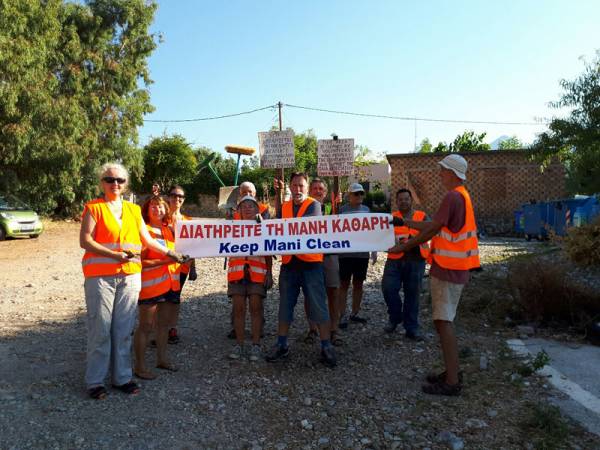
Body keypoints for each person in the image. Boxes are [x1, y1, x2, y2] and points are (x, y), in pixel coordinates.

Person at [80, 162, 186, 400]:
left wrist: (172, 254)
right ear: (102, 183)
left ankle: (122, 377)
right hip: (100, 277)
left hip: (129, 276)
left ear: (126, 184)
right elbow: (85, 241)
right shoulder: (94, 208)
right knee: (101, 329)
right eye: (110, 180)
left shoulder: (133, 210)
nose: (115, 184)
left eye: (119, 180)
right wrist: (113, 255)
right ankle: (95, 381)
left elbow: (147, 240)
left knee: (124, 330)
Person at [388, 154, 479, 396]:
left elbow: (431, 231)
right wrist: (404, 221)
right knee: (443, 320)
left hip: (448, 270)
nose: (440, 174)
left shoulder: (452, 196)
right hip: (455, 269)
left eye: (442, 170)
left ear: (452, 172)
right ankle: (452, 372)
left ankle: (451, 382)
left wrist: (403, 246)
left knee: (443, 321)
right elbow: (432, 225)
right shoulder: (462, 196)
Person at [267, 173, 337, 367]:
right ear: (290, 187)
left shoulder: (314, 205)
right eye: (294, 185)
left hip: (311, 264)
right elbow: (275, 227)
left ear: (306, 188)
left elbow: (299, 227)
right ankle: (281, 344)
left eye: (301, 186)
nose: (297, 189)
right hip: (289, 265)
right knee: (285, 305)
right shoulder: (286, 206)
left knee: (318, 305)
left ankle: (326, 345)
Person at [133, 196, 183, 379]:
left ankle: (162, 359)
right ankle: (139, 366)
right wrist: (164, 261)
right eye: (153, 206)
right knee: (145, 326)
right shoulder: (143, 231)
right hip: (150, 287)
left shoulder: (169, 230)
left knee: (164, 326)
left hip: (171, 284)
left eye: (161, 206)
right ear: (147, 210)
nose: (158, 210)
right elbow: (139, 262)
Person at [227, 195, 273, 361]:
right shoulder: (230, 227)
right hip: (236, 272)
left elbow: (269, 250)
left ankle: (255, 345)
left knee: (256, 308)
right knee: (238, 309)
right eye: (243, 206)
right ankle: (239, 345)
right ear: (238, 210)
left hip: (257, 273)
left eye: (251, 206)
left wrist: (269, 272)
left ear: (257, 209)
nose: (247, 208)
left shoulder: (263, 227)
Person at [381, 189, 430, 340]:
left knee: (412, 294)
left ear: (411, 200)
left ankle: (411, 328)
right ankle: (395, 317)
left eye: (406, 199)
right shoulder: (390, 218)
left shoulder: (421, 216)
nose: (404, 201)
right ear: (396, 202)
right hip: (395, 259)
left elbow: (430, 232)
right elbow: (381, 236)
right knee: (388, 288)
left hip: (416, 260)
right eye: (400, 199)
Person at [304, 178, 343, 346]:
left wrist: (338, 207)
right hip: (311, 257)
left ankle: (334, 330)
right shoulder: (304, 208)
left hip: (329, 256)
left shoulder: (331, 208)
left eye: (321, 188)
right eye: (314, 188)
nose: (318, 191)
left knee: (333, 292)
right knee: (309, 294)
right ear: (309, 191)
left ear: (326, 193)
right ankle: (312, 329)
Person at [338, 183, 377, 328]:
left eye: (361, 193)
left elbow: (371, 231)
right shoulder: (342, 211)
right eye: (356, 194)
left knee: (359, 284)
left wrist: (374, 250)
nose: (359, 196)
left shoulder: (367, 210)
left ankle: (355, 313)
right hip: (345, 255)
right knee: (343, 284)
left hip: (362, 255)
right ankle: (342, 315)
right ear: (350, 196)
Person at [166, 185, 196, 344]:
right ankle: (158, 329)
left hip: (182, 267)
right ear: (168, 197)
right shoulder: (160, 219)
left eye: (180, 197)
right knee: (160, 299)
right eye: (174, 195)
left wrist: (193, 268)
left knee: (175, 298)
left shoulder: (188, 221)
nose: (177, 199)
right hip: (161, 266)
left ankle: (172, 328)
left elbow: (193, 247)